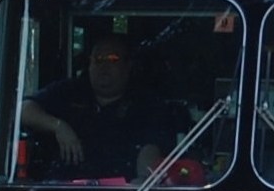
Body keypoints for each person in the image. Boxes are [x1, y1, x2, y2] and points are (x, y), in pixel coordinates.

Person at [20, 35, 167, 181]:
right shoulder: (68, 91)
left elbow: (150, 147)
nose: (104, 66)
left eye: (112, 59)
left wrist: (143, 180)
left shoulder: (145, 103)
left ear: (128, 65)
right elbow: (23, 110)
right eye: (98, 59)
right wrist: (58, 126)